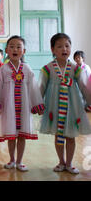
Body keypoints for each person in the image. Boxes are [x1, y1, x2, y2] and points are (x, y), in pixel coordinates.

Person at [39, 33, 91, 174]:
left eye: (67, 46)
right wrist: (38, 103)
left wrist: (89, 101)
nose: (64, 49)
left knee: (71, 136)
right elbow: (41, 87)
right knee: (58, 135)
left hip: (72, 107)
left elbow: (84, 86)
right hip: (54, 106)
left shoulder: (76, 68)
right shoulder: (48, 68)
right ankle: (61, 162)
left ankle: (69, 163)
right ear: (53, 49)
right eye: (59, 46)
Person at [0, 35, 44, 172]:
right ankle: (11, 159)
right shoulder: (3, 70)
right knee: (11, 136)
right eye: (11, 46)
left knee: (22, 135)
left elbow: (33, 87)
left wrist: (37, 104)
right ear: (6, 50)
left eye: (18, 47)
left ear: (24, 51)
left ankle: (20, 161)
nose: (15, 49)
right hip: (9, 108)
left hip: (24, 107)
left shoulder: (27, 69)